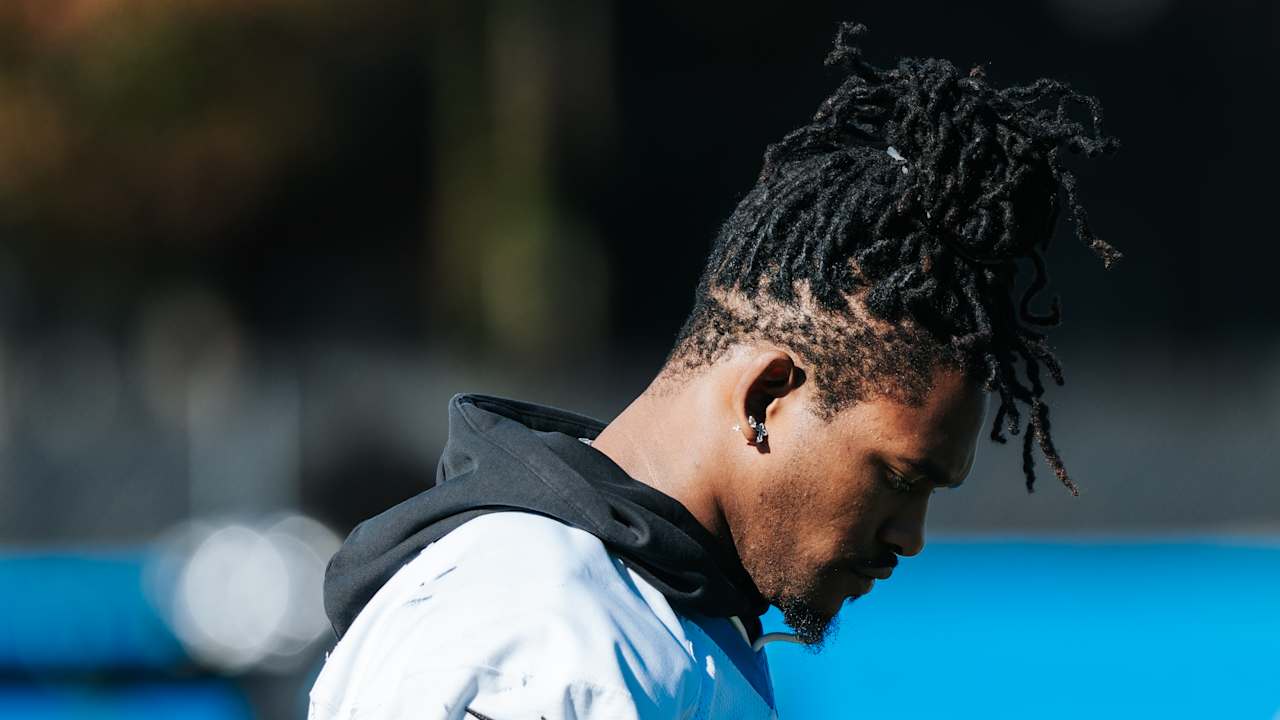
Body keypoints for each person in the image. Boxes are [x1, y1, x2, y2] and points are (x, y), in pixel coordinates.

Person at [308, 22, 1120, 720]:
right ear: (766, 398)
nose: (909, 538)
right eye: (900, 479)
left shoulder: (656, 616)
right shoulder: (533, 627)